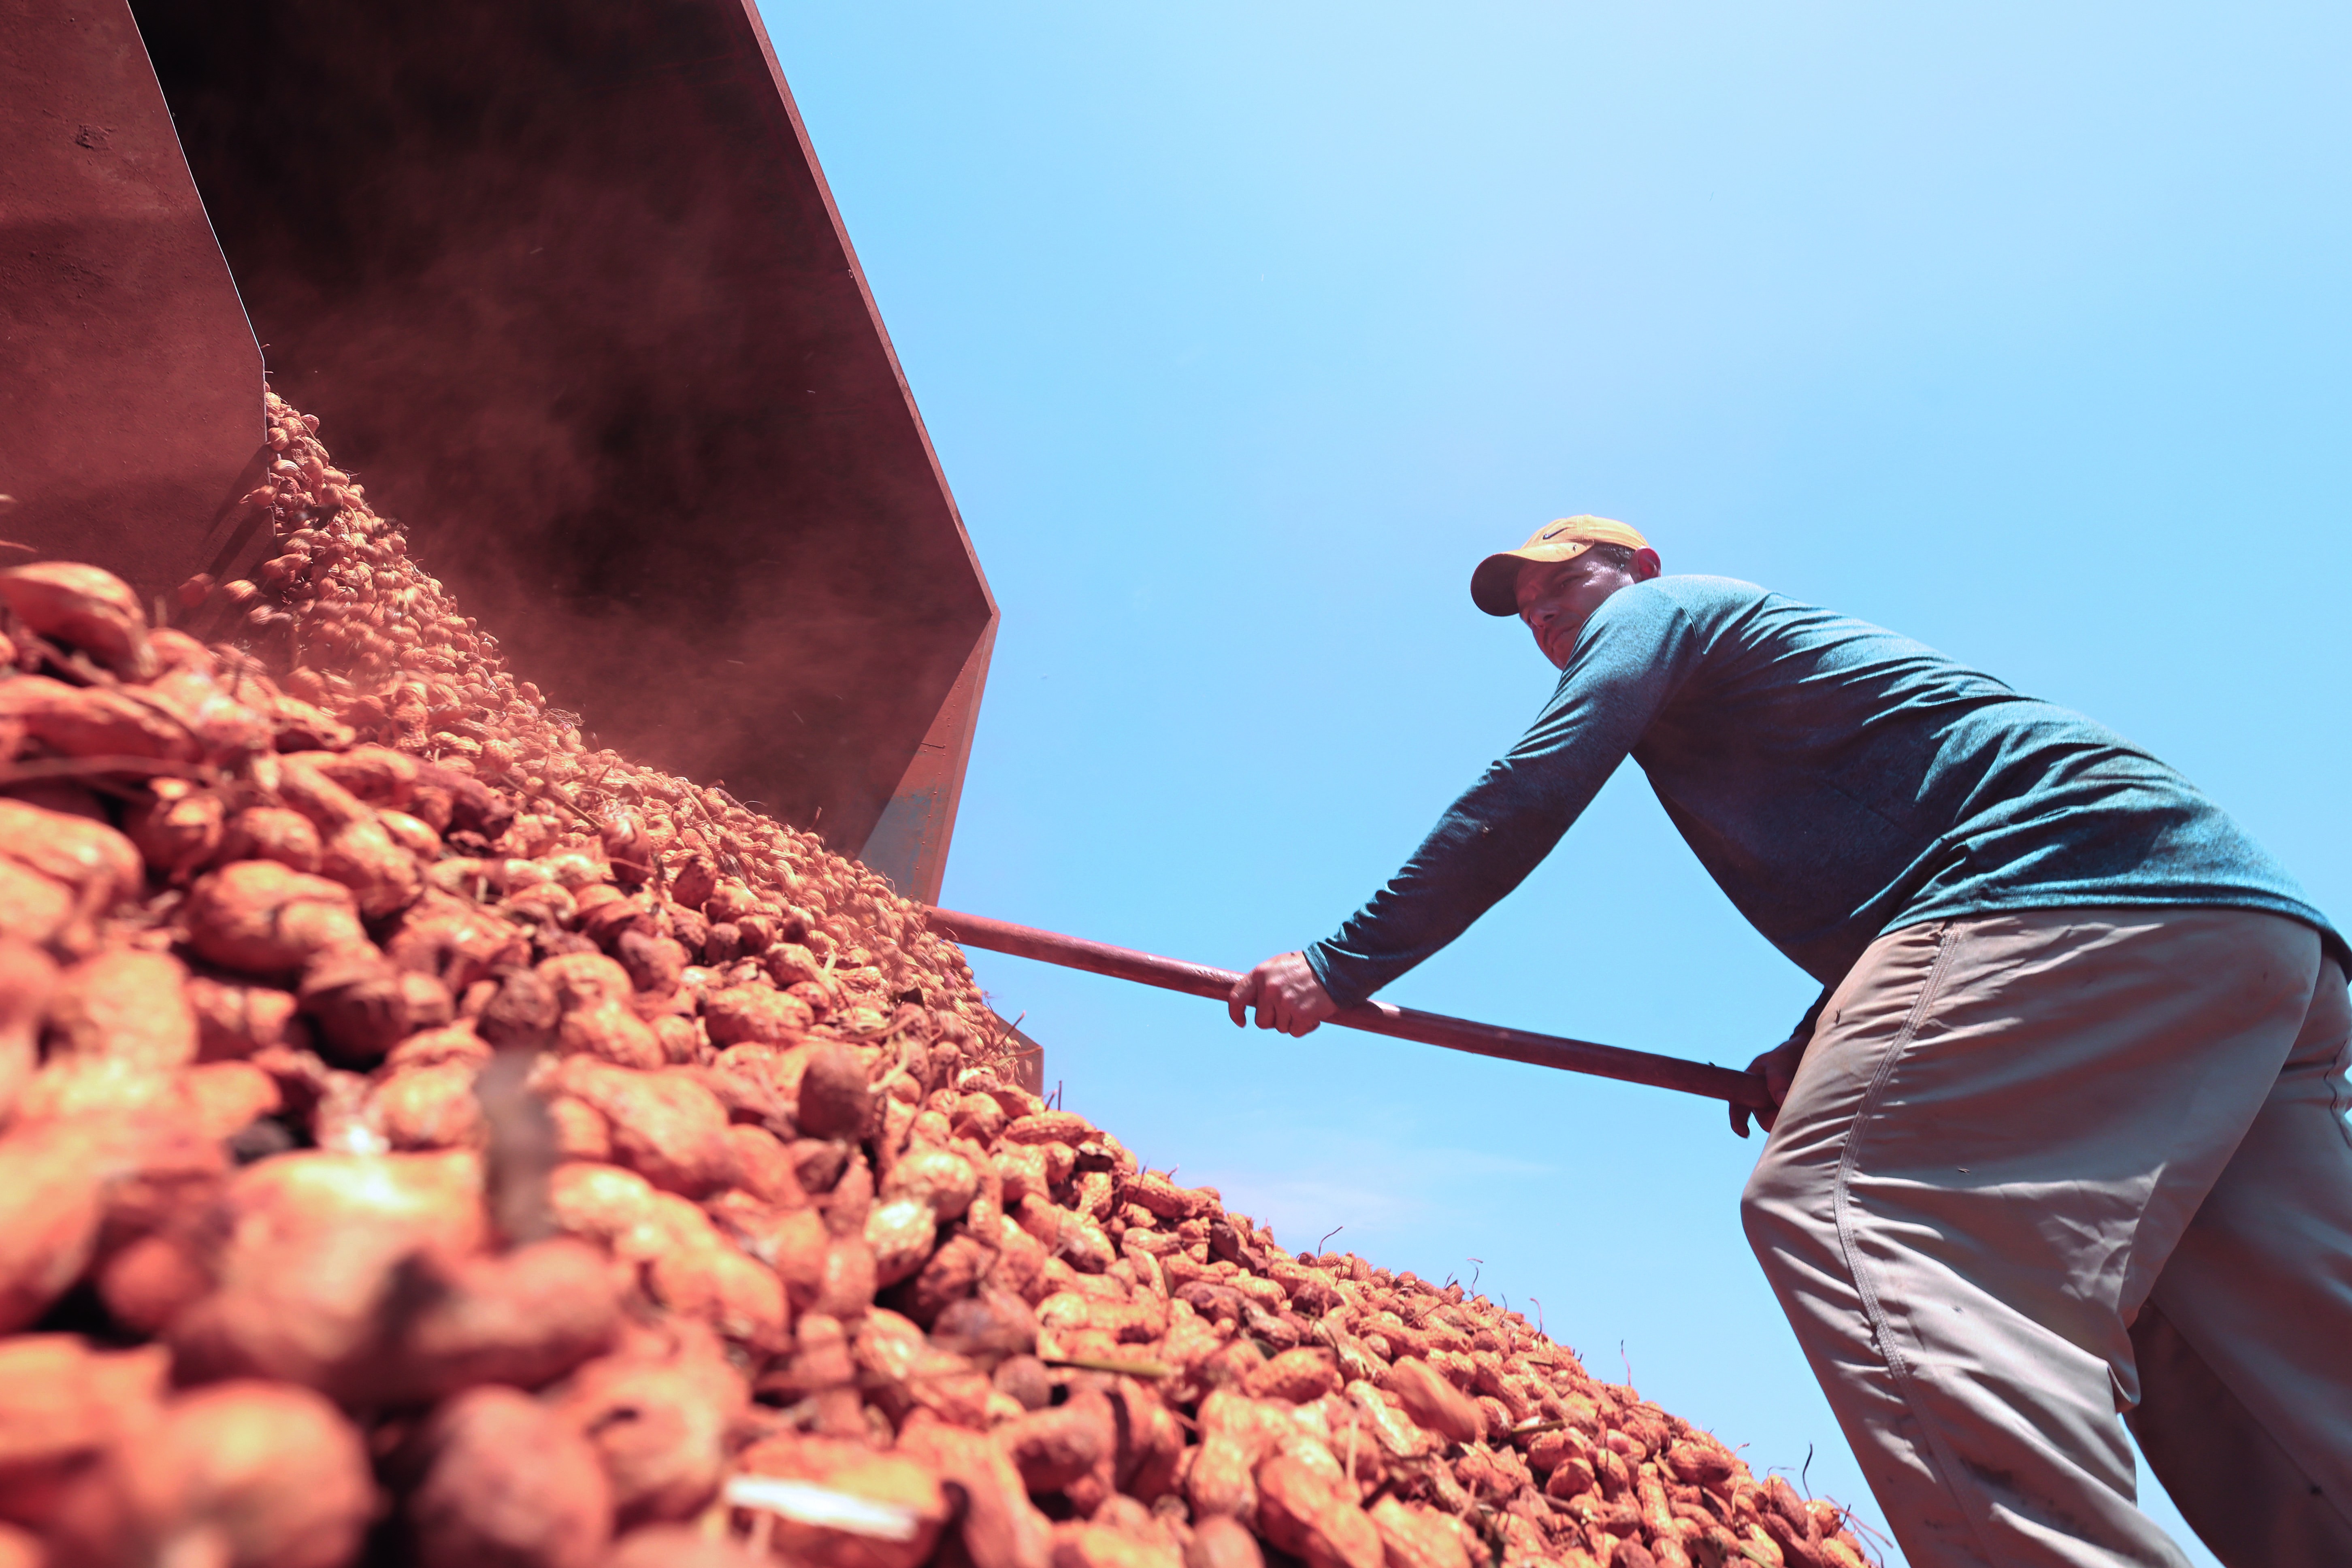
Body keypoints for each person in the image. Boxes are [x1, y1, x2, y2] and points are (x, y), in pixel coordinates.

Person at [1226, 517, 2352, 1568]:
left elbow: (1533, 786)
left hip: (2066, 896)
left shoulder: (1665, 616)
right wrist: (1811, 1043)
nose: (1550, 622)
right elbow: (1907, 870)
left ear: (1637, 571)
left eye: (1563, 586)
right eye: (1529, 614)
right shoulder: (1756, 688)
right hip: (2238, 937)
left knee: (1854, 1200)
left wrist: (1343, 962)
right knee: (2266, 1364)